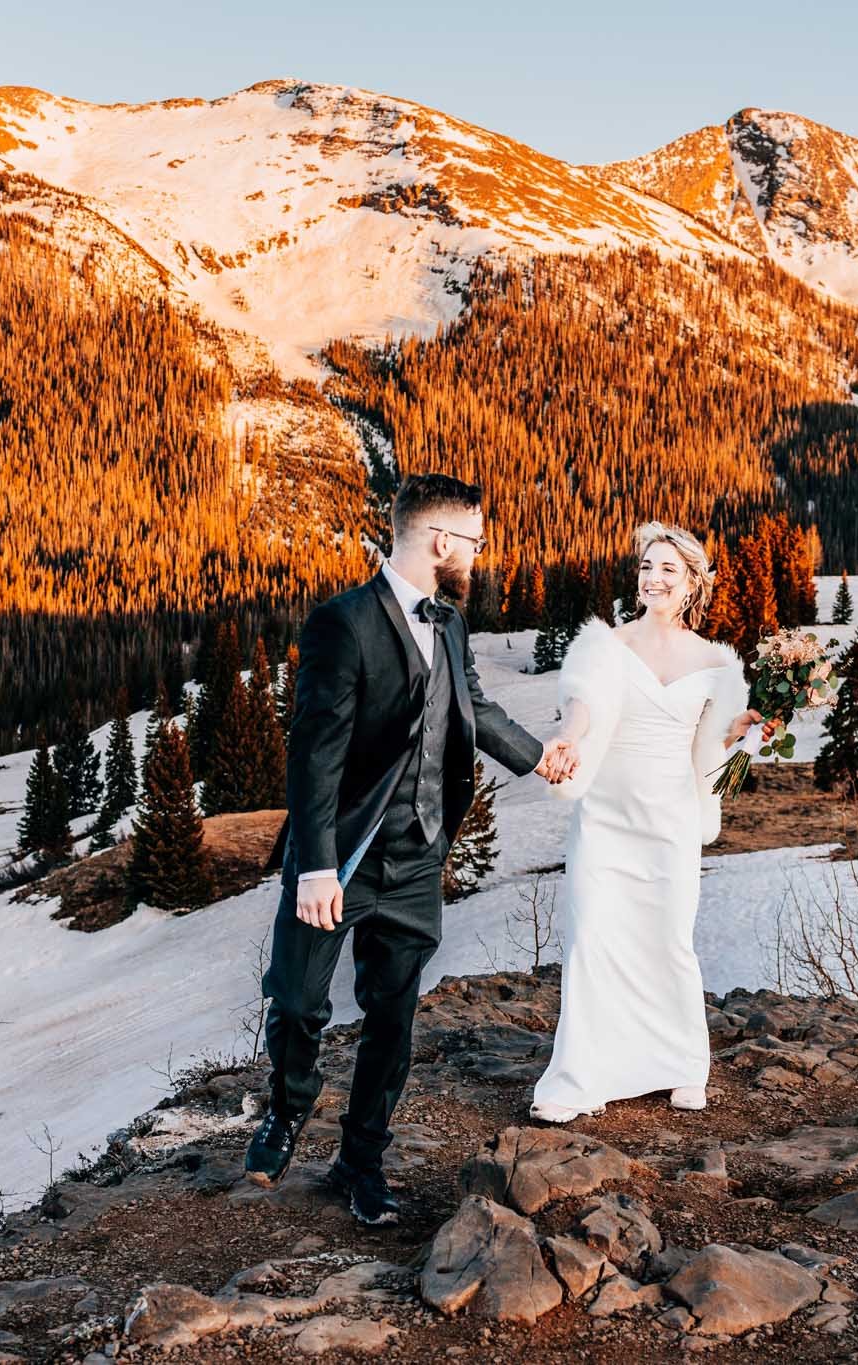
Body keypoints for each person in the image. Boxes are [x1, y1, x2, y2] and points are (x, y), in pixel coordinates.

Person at [247, 473, 578, 1224]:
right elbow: (314, 753)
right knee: (298, 1003)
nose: (478, 557)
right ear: (439, 541)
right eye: (474, 543)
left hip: (418, 856)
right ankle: (286, 1110)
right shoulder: (343, 622)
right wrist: (318, 863)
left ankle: (361, 1159)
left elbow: (472, 705)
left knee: (392, 1019)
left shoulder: (452, 623)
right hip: (342, 854)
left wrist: (537, 757)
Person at [529, 522, 757, 1122]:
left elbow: (711, 751)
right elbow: (583, 704)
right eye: (646, 568)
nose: (653, 579)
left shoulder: (717, 664)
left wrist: (748, 731)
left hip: (672, 819)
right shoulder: (606, 644)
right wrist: (566, 736)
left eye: (668, 571)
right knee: (593, 938)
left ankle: (681, 1065)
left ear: (692, 585)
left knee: (669, 941)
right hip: (605, 816)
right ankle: (581, 1077)